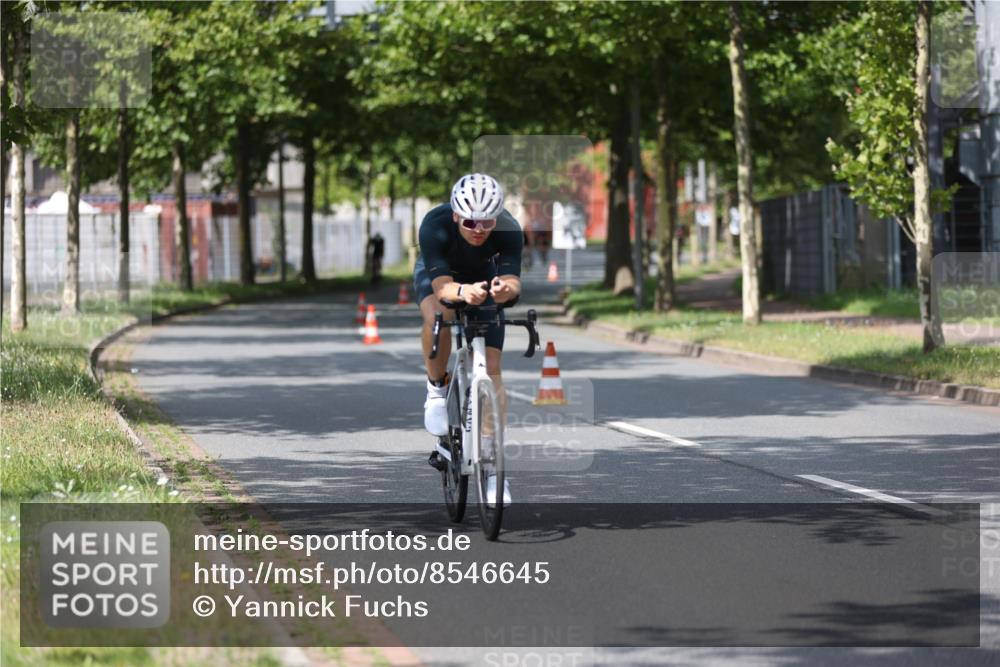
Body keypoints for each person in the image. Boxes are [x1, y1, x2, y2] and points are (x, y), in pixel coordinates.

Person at [413, 173, 522, 505]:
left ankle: (491, 466)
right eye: (471, 221)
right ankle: (436, 388)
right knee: (438, 314)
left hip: (484, 282)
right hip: (444, 278)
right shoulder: (435, 223)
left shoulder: (509, 229)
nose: (479, 229)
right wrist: (462, 292)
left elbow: (513, 283)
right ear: (457, 215)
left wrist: (504, 290)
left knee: (493, 368)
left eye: (487, 222)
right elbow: (443, 288)